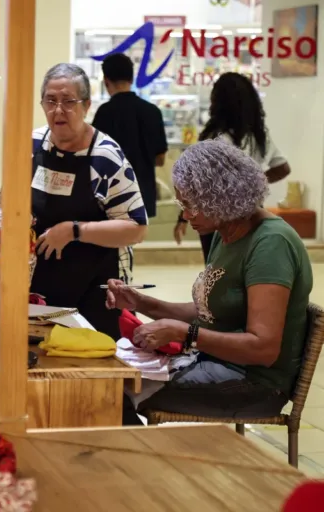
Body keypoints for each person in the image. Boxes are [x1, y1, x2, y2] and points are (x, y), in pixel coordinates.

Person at [108, 140, 312, 422]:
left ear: (223, 196)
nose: (187, 215)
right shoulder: (226, 231)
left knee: (112, 392)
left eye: (193, 205)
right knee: (108, 375)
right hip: (216, 363)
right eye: (183, 204)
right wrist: (142, 302)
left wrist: (186, 334)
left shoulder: (271, 244)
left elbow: (264, 349)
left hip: (255, 383)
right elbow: (208, 311)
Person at [31, 63, 148, 340]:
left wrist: (73, 231)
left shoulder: (105, 157)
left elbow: (136, 228)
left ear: (86, 106)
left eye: (68, 101)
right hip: (43, 280)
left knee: (95, 359)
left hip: (97, 282)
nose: (58, 110)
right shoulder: (35, 143)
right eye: (50, 101)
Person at [174, 72, 291, 263]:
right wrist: (253, 183)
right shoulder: (258, 137)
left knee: (217, 270)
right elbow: (282, 168)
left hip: (215, 215)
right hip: (252, 212)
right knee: (247, 265)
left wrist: (182, 217)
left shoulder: (215, 137)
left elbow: (196, 183)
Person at [92, 53, 168, 219]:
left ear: (106, 81)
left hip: (111, 193)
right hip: (143, 192)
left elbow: (93, 156)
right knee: (134, 239)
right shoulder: (152, 112)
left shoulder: (104, 113)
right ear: (132, 79)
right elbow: (160, 159)